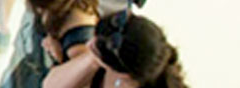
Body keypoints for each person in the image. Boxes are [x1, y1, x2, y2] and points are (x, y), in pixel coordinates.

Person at [43, 12, 188, 88]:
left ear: (126, 77)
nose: (88, 44)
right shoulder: (111, 59)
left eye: (95, 49)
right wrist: (92, 58)